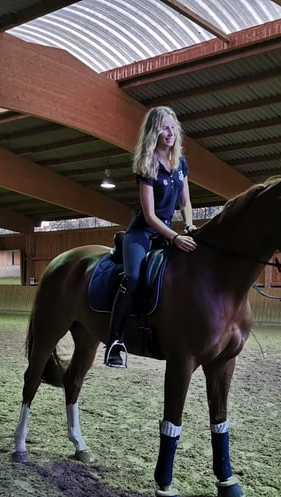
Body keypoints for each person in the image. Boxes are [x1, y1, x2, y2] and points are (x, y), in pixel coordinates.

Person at [105, 106, 198, 368]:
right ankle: (115, 341)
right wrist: (175, 237)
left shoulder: (181, 163)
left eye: (172, 127)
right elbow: (149, 216)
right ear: (154, 132)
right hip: (144, 231)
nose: (169, 133)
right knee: (133, 278)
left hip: (168, 231)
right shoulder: (147, 166)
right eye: (163, 128)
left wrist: (189, 226)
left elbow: (185, 201)